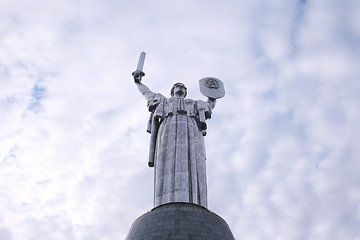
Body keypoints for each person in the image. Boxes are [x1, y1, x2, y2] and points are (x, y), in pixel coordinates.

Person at [133, 70, 216, 208]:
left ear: (185, 92)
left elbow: (210, 105)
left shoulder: (194, 103)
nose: (181, 88)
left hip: (191, 130)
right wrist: (138, 82)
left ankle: (193, 200)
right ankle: (165, 201)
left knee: (193, 160)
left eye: (183, 87)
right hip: (168, 129)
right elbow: (147, 93)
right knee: (167, 160)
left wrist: (213, 94)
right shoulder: (163, 101)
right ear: (172, 90)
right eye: (178, 86)